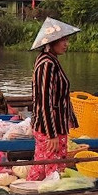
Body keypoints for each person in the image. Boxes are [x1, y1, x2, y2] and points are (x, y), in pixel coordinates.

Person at [27, 18, 80, 181]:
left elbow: (61, 95)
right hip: (49, 128)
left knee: (48, 166)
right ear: (52, 42)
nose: (66, 44)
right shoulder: (46, 64)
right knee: (50, 168)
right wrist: (51, 134)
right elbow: (44, 101)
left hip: (57, 126)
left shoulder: (52, 61)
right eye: (63, 40)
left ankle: (36, 193)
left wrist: (70, 119)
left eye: (66, 40)